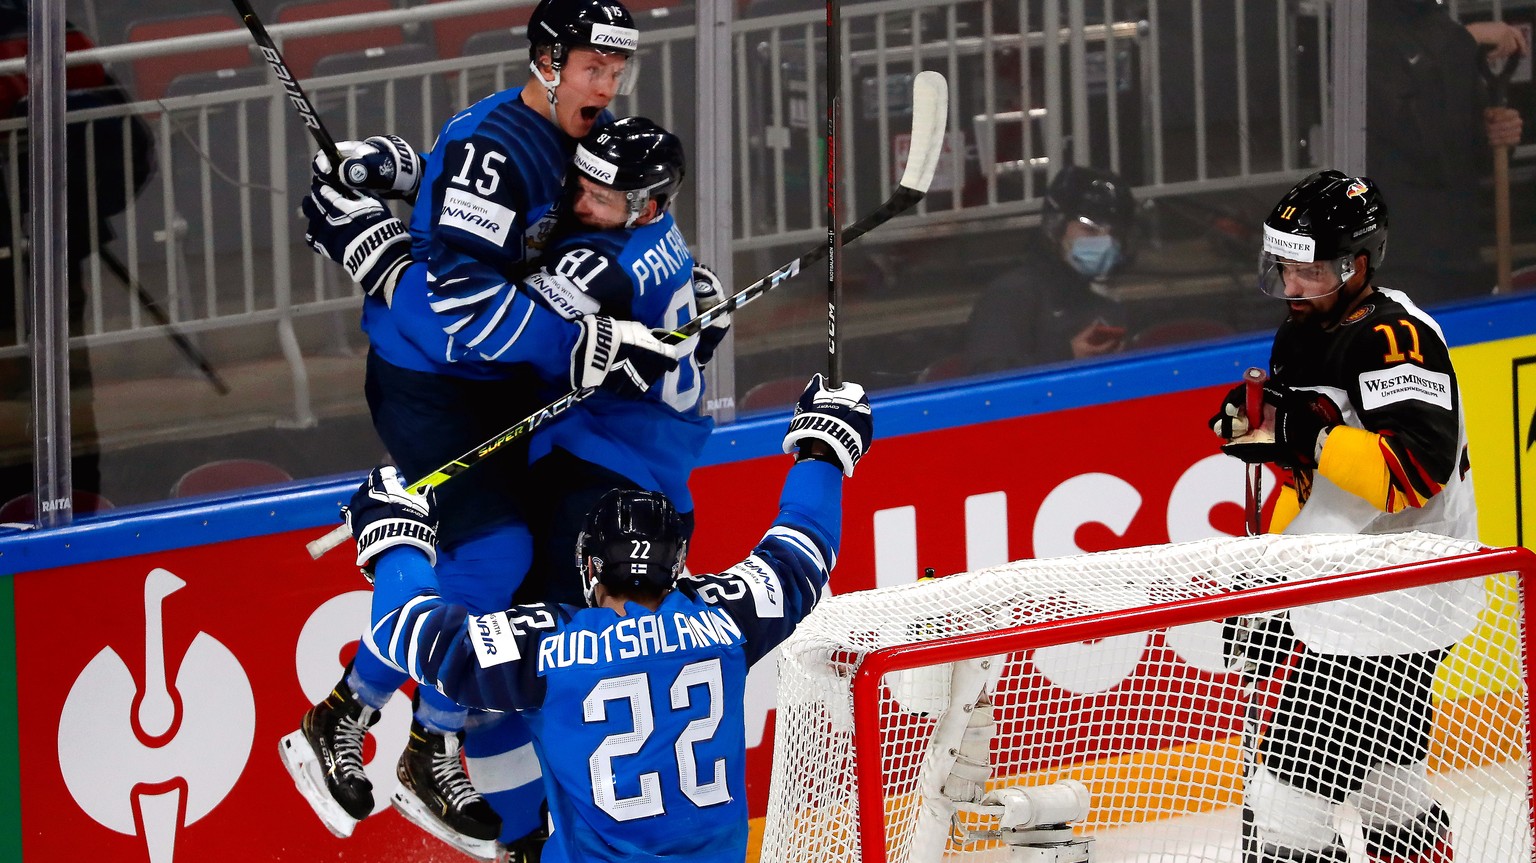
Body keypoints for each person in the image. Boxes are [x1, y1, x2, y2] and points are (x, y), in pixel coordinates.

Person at [280, 2, 689, 859]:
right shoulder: (495, 147)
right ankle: (367, 725)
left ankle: (393, 729)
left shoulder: (585, 137)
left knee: (507, 575)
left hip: (500, 390)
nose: (607, 86)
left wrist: (401, 165)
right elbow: (457, 313)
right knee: (495, 560)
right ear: (547, 61)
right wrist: (586, 339)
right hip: (433, 384)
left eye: (616, 70)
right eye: (591, 68)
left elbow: (551, 217)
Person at [344, 372, 872, 863]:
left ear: (590, 565)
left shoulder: (548, 647)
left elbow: (404, 628)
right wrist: (822, 449)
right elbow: (803, 549)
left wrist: (394, 537)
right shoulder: (727, 621)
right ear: (678, 565)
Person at [1208, 170, 1479, 863]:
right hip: (1360, 591)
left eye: (1307, 270)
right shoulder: (1298, 334)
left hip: (1405, 593)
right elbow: (1312, 477)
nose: (1291, 286)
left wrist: (1309, 433)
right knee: (1388, 782)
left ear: (1355, 265)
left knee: (1284, 804)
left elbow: (1413, 473)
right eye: (1283, 269)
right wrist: (1277, 584)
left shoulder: (1396, 340)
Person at [1366, 0, 1527, 305]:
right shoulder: (1363, 34)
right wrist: (1465, 40)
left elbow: (1468, 141)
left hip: (1459, 248)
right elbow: (1412, 134)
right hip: (1400, 255)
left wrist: (1496, 134)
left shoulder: (1440, 25)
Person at [961, 164, 1135, 375]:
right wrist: (1066, 356)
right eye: (1089, 230)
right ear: (1055, 227)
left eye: (1113, 234)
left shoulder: (1105, 302)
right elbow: (989, 381)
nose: (1104, 242)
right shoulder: (1012, 294)